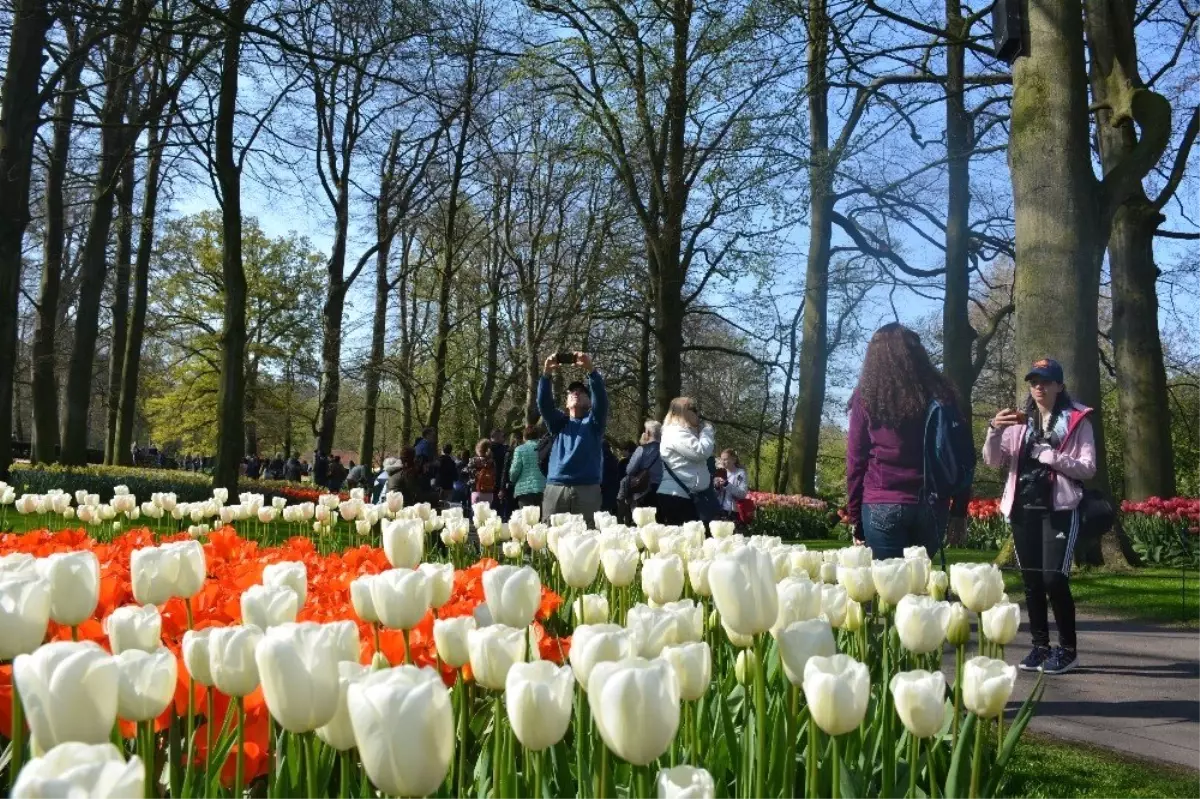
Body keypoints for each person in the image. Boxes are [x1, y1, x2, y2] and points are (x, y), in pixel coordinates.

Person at [984, 358, 1095, 676]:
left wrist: (1053, 458)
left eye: (1045, 381)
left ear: (1059, 386)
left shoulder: (1077, 421)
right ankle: (1040, 646)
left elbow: (1088, 467)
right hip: (1022, 510)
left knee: (1054, 579)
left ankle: (1069, 651)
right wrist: (993, 431)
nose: (1038, 387)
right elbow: (993, 462)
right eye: (1033, 381)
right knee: (1032, 581)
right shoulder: (1018, 422)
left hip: (1059, 510)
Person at [845, 323, 971, 560]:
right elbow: (961, 453)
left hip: (882, 502)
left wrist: (854, 515)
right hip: (932, 505)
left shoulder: (867, 397)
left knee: (889, 588)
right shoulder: (941, 394)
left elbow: (856, 460)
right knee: (918, 589)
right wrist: (959, 508)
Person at [537, 352, 608, 527]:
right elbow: (544, 404)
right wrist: (546, 374)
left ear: (589, 401)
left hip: (587, 489)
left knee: (586, 541)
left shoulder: (594, 423)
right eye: (572, 392)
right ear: (566, 403)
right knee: (550, 539)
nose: (576, 393)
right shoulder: (558, 423)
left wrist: (591, 370)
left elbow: (602, 401)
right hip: (556, 487)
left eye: (582, 392)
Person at [656, 398, 717, 525]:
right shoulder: (675, 432)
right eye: (694, 409)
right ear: (683, 412)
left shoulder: (683, 433)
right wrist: (707, 431)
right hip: (677, 497)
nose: (698, 414)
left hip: (685, 496)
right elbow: (700, 452)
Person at [622, 421, 664, 516]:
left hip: (645, 491)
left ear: (648, 433)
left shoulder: (642, 450)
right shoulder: (667, 450)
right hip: (663, 491)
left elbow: (629, 470)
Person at [509, 425, 547, 509]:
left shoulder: (520, 449)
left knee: (527, 519)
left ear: (524, 437)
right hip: (543, 487)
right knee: (542, 519)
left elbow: (514, 470)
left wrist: (512, 479)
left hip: (524, 490)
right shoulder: (545, 447)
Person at [715, 448, 749, 520]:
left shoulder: (740, 474)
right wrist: (717, 487)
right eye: (721, 459)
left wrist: (727, 484)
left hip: (733, 512)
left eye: (725, 459)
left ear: (734, 460)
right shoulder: (720, 472)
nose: (723, 462)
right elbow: (715, 495)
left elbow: (742, 494)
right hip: (719, 511)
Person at [468, 439, 497, 506]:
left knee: (476, 514)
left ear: (478, 449)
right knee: (486, 514)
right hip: (489, 492)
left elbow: (465, 471)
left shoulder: (474, 460)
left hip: (476, 491)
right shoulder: (492, 462)